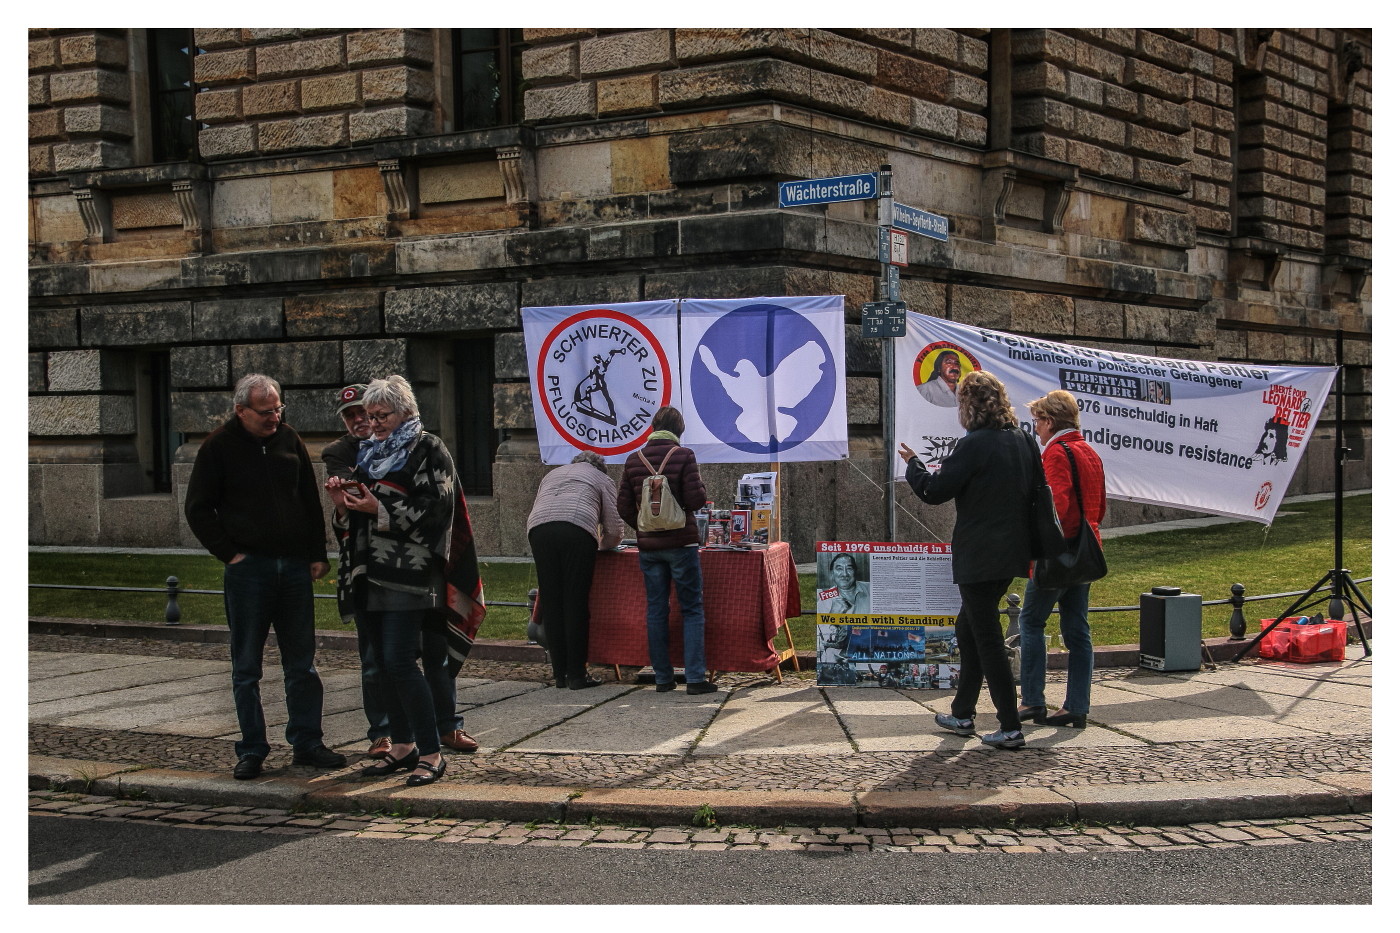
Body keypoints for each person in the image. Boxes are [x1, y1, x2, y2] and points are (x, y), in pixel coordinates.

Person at [184, 373, 346, 780]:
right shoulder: (218, 447)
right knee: (246, 668)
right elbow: (198, 508)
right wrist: (230, 554)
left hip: (293, 567)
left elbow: (308, 499)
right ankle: (252, 748)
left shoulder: (288, 439)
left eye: (278, 408)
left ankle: (307, 742)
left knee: (302, 664)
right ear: (241, 411)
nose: (274, 416)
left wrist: (316, 553)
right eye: (266, 411)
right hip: (249, 570)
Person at [323, 385, 481, 759]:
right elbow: (353, 522)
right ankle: (402, 745)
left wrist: (379, 508)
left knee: (400, 662)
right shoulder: (368, 453)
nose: (371, 423)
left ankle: (430, 752)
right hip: (368, 575)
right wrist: (342, 507)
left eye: (381, 416)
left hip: (411, 578)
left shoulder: (428, 448)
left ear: (404, 412)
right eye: (369, 415)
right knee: (383, 665)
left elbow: (437, 510)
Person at [898, 370, 1040, 750]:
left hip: (979, 555)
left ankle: (1009, 725)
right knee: (969, 628)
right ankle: (962, 712)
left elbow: (933, 491)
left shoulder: (974, 444)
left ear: (966, 406)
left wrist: (914, 464)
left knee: (987, 636)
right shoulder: (1023, 439)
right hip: (1012, 551)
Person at [1014, 390, 1106, 729]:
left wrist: (1035, 543)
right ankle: (1077, 705)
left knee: (1032, 622)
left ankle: (1033, 700)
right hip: (1086, 550)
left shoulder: (1055, 453)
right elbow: (1100, 505)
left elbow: (1058, 509)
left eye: (1037, 421)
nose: (1035, 428)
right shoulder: (1089, 451)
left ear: (1050, 421)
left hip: (1057, 554)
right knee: (1077, 629)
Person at [617, 406, 716, 695]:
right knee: (692, 609)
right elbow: (696, 499)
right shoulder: (684, 456)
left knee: (656, 610)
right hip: (681, 543)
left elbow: (622, 504)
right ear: (679, 430)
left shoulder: (633, 459)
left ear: (653, 426)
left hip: (649, 546)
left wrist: (643, 524)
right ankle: (695, 679)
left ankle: (662, 678)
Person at [526, 450, 626, 689]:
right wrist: (604, 546)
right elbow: (614, 525)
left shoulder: (552, 474)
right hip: (576, 529)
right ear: (600, 467)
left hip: (539, 530)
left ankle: (559, 674)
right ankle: (577, 675)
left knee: (551, 601)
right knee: (575, 602)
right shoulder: (602, 479)